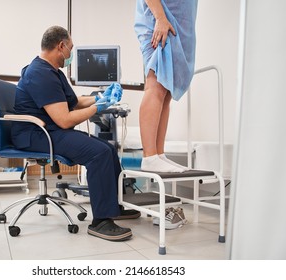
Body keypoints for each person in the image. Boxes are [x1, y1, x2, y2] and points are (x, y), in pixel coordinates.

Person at [11, 26, 139, 242]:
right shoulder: (39, 73)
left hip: (50, 130)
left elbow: (74, 101)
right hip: (38, 134)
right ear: (60, 46)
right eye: (70, 48)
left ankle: (114, 206)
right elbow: (64, 119)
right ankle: (101, 221)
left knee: (107, 148)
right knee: (98, 152)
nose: (70, 54)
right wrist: (97, 109)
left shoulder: (53, 72)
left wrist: (100, 97)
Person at [134, 0, 198, 173]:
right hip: (160, 22)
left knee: (166, 92)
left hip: (177, 25)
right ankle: (150, 156)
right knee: (156, 86)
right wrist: (161, 18)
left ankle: (158, 155)